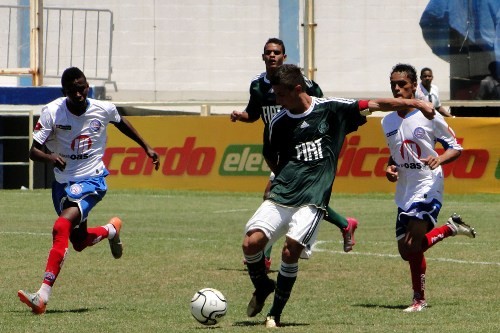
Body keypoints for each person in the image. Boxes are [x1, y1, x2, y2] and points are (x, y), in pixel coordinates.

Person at [243, 64, 436, 327]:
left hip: (313, 200)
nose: (277, 101)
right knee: (250, 243)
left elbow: (376, 104)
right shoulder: (279, 120)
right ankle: (263, 285)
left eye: (280, 94)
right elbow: (269, 153)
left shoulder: (331, 109)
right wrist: (286, 176)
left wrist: (417, 103)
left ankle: (274, 314)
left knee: (290, 251)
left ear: (297, 89)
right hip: (283, 194)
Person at [17, 67, 160, 314]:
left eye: (82, 87)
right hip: (63, 184)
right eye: (73, 90)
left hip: (92, 180)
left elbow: (121, 122)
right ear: (65, 92)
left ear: (87, 86)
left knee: (61, 226)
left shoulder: (102, 109)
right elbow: (33, 151)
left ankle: (42, 296)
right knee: (79, 241)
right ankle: (111, 230)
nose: (79, 93)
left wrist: (146, 146)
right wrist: (51, 157)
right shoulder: (52, 112)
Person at [231, 38, 358, 268]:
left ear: (284, 57)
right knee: (292, 198)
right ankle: (344, 223)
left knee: (274, 196)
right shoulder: (257, 86)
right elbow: (253, 113)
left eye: (277, 52)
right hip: (276, 147)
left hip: (298, 148)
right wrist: (242, 116)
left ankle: (266, 256)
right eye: (268, 52)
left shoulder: (302, 83)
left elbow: (321, 103)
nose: (272, 56)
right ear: (263, 57)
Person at [382, 63, 476, 312]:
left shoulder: (428, 115)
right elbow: (396, 153)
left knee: (413, 246)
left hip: (428, 182)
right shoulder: (387, 121)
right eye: (393, 84)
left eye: (402, 84)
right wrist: (390, 168)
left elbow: (455, 147)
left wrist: (440, 159)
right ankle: (449, 228)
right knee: (405, 251)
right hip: (405, 188)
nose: (397, 88)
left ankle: (419, 299)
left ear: (414, 86)